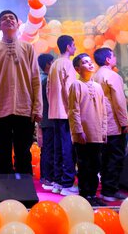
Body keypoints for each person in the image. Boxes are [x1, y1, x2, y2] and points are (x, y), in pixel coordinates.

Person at [0, 10, 41, 175]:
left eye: (11, 18)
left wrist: (37, 108)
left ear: (18, 23)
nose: (8, 20)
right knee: (2, 155)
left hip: (25, 109)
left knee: (24, 154)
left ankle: (26, 198)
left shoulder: (28, 48)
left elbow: (35, 80)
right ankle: (3, 197)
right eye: (4, 19)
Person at [69, 53, 108, 206]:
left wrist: (104, 131)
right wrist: (78, 131)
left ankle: (92, 194)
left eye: (90, 61)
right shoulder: (76, 85)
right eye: (85, 62)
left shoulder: (98, 87)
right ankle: (84, 194)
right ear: (78, 69)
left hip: (97, 133)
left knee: (95, 165)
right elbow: (73, 110)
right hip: (83, 134)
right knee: (84, 165)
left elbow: (104, 111)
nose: (90, 64)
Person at [92, 47, 128, 202]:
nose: (115, 58)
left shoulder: (95, 76)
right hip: (114, 123)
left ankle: (105, 188)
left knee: (105, 158)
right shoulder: (112, 76)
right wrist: (125, 122)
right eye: (113, 56)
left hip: (100, 123)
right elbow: (119, 102)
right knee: (115, 158)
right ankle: (110, 190)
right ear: (108, 59)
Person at [47, 35, 78, 195]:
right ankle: (67, 183)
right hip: (66, 111)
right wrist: (73, 109)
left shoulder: (54, 65)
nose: (75, 48)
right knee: (67, 148)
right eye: (74, 45)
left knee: (58, 147)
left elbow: (48, 90)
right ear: (68, 47)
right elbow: (70, 90)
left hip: (55, 111)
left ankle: (58, 181)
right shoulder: (68, 64)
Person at [37, 53, 55, 191]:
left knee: (45, 149)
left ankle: (45, 175)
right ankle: (48, 177)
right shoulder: (47, 80)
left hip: (44, 119)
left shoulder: (40, 79)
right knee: (49, 149)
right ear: (48, 64)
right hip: (50, 119)